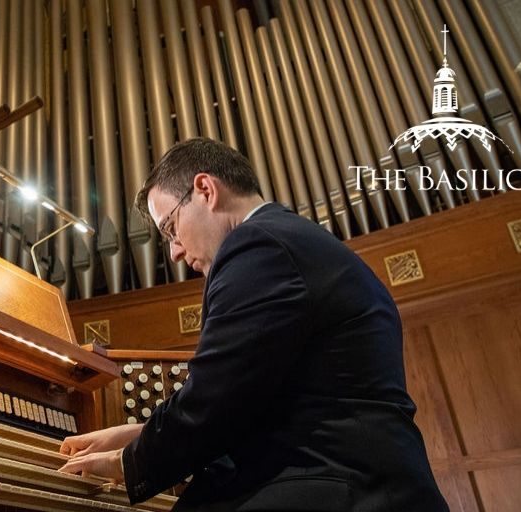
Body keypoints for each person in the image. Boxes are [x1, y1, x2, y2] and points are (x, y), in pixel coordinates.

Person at [58, 138, 448, 511]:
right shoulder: (284, 240)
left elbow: (214, 402)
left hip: (344, 487)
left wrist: (129, 463)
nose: (174, 251)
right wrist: (138, 435)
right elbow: (247, 402)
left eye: (171, 228)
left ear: (206, 190)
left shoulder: (258, 246)